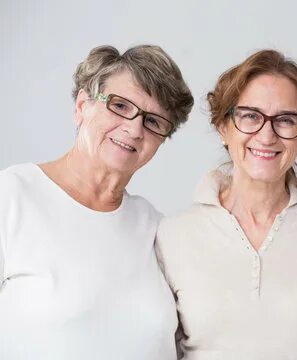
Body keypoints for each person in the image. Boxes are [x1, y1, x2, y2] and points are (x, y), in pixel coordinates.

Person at [0, 45, 194, 360]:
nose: (134, 129)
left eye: (153, 122)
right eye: (119, 106)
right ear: (82, 106)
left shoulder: (156, 228)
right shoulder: (12, 196)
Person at [156, 49, 297, 359]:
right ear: (223, 127)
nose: (266, 135)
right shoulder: (173, 235)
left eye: (285, 120)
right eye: (250, 116)